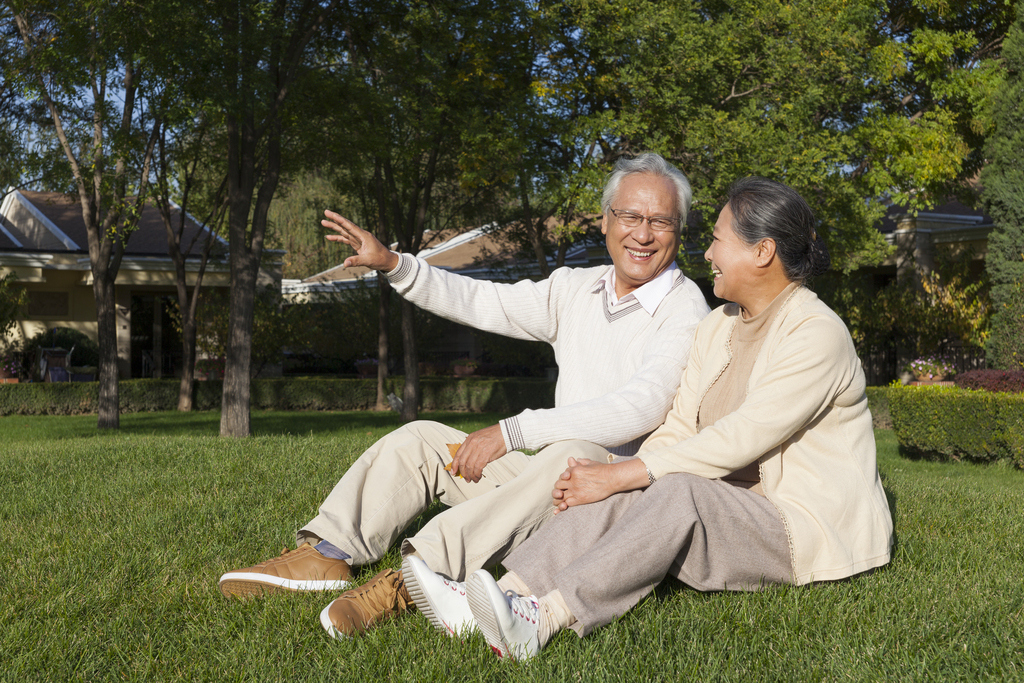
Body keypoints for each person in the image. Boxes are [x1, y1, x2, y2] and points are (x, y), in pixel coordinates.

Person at [217, 153, 711, 639]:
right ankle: (327, 554)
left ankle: (413, 577)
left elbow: (640, 407)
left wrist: (514, 431)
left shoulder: (684, 307)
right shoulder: (576, 288)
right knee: (421, 440)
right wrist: (394, 264)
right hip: (545, 475)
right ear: (606, 221)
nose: (643, 234)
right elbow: (485, 301)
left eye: (661, 221)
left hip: (605, 493)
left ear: (678, 231)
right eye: (630, 216)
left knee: (574, 453)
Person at [403, 176, 895, 660]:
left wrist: (622, 472)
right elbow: (680, 426)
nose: (707, 255)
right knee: (625, 485)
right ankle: (493, 602)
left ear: (762, 251)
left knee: (672, 488)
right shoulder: (717, 326)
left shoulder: (816, 334)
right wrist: (611, 481)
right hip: (727, 503)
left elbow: (740, 438)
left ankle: (545, 617)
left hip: (798, 525)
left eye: (719, 241)